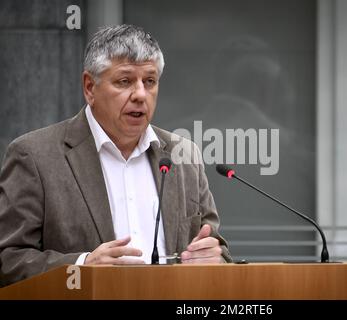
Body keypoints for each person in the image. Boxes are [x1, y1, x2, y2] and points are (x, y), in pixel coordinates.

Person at [0, 24, 232, 287]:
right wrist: (83, 266)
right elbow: (8, 261)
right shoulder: (35, 156)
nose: (140, 95)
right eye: (124, 81)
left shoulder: (184, 155)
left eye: (150, 81)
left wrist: (215, 258)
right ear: (90, 87)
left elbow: (217, 250)